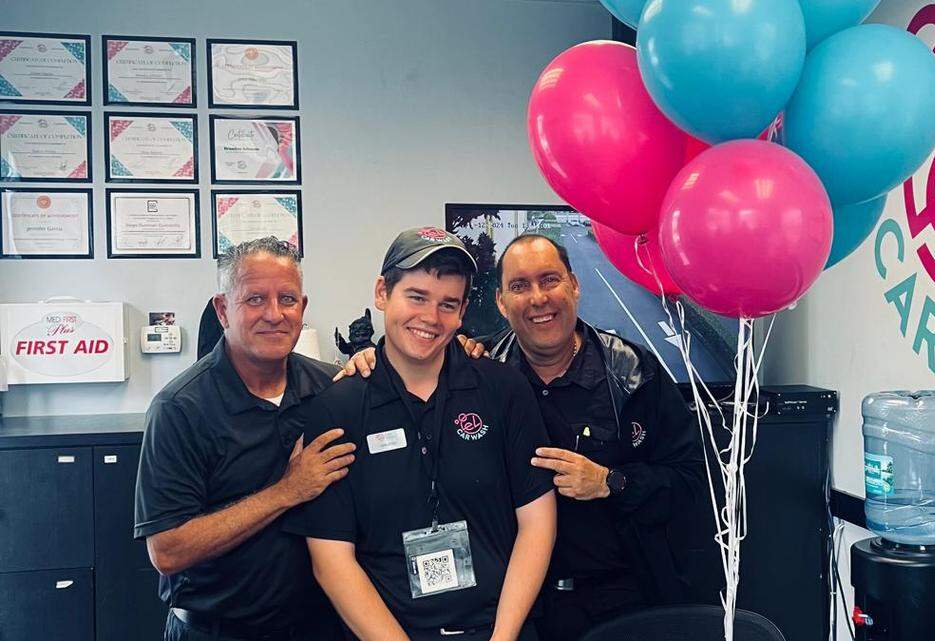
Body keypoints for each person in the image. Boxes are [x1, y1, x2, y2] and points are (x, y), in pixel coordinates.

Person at [342, 233, 704, 641]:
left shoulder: (635, 373)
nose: (538, 298)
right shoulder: (481, 373)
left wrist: (611, 482)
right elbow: (414, 354)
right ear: (501, 302)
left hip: (622, 601)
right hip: (517, 609)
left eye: (549, 280)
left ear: (574, 285)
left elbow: (692, 485)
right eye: (519, 286)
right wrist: (371, 361)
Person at [284, 227, 557, 641]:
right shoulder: (338, 409)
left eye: (448, 304)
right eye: (416, 297)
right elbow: (331, 559)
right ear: (382, 293)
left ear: (463, 312)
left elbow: (537, 522)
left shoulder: (504, 389)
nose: (431, 318)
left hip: (500, 629)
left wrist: (503, 636)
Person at [134, 237, 355, 640]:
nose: (274, 314)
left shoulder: (331, 386)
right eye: (255, 299)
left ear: (302, 307)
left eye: (287, 299)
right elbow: (167, 550)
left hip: (318, 626)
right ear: (222, 310)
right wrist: (288, 491)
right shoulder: (179, 409)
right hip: (216, 631)